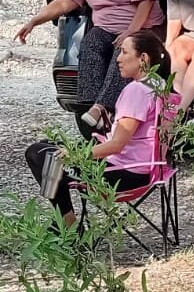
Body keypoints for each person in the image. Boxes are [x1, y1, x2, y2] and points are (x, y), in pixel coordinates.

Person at [16, 0, 164, 132]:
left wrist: (130, 31)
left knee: (124, 49)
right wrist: (34, 21)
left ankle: (102, 108)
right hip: (107, 29)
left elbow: (146, 2)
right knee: (90, 42)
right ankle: (90, 107)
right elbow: (64, 2)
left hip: (143, 28)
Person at [25, 31, 171, 227]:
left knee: (38, 153)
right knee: (47, 146)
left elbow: (117, 145)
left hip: (123, 175)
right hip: (148, 169)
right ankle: (65, 220)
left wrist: (75, 155)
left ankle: (67, 223)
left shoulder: (136, 90)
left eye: (124, 52)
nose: (118, 59)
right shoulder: (160, 85)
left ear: (143, 58)